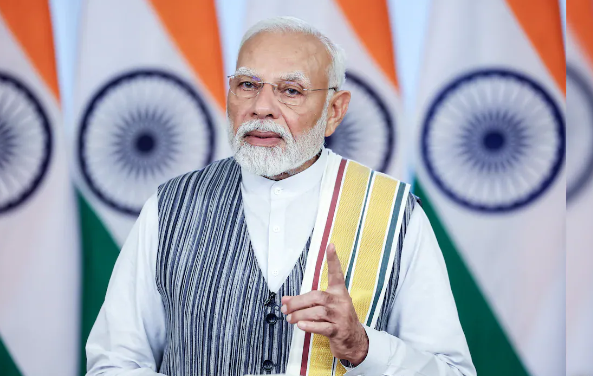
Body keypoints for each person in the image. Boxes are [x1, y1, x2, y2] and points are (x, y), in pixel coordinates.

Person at [86, 16, 476, 376]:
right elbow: (115, 361)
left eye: (290, 90)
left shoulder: (393, 213)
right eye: (247, 85)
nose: (261, 108)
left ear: (334, 111)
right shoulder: (170, 207)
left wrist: (363, 347)